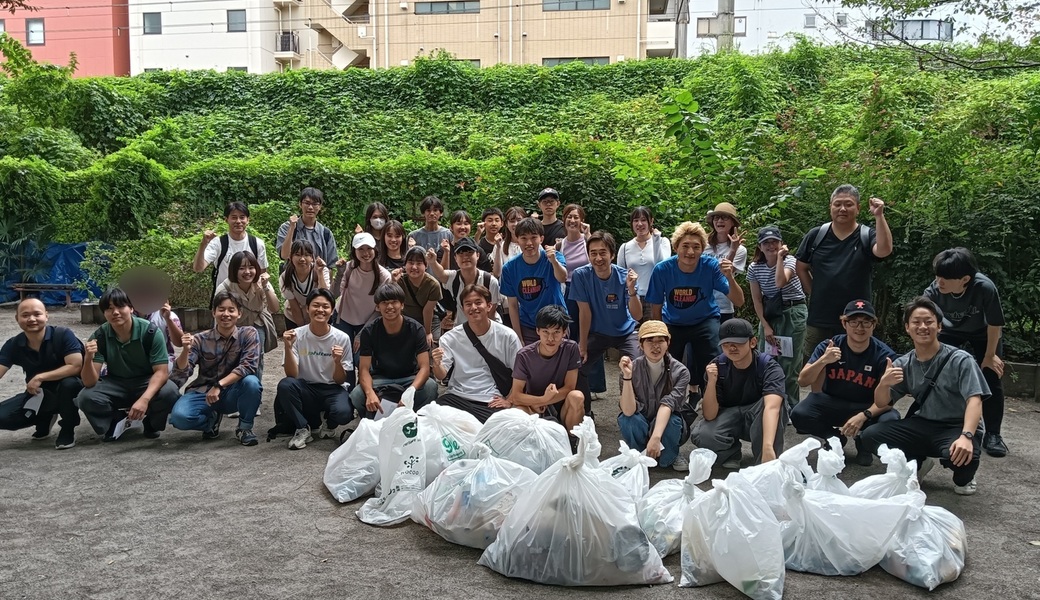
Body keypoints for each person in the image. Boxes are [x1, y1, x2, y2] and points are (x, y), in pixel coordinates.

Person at [858, 297, 989, 496]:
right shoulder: (903, 362)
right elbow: (882, 402)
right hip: (922, 424)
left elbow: (974, 399)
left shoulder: (960, 359)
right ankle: (918, 461)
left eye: (929, 322)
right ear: (907, 328)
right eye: (916, 322)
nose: (922, 327)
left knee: (965, 459)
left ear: (939, 326)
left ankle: (965, 477)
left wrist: (967, 436)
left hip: (955, 426)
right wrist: (884, 383)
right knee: (871, 436)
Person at [646, 221, 744, 403]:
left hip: (704, 320)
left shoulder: (710, 266)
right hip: (673, 322)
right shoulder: (663, 270)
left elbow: (738, 301)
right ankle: (667, 400)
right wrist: (659, 334)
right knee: (666, 360)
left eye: (696, 247)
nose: (690, 252)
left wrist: (729, 276)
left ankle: (716, 399)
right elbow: (656, 307)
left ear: (702, 249)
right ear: (676, 247)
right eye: (685, 246)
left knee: (713, 355)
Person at [924, 247, 1009, 457]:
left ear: (965, 279)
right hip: (949, 331)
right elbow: (925, 322)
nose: (939, 282)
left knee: (990, 376)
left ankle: (993, 435)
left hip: (982, 332)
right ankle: (931, 422)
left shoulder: (984, 287)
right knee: (935, 372)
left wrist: (990, 356)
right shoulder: (933, 291)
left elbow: (995, 325)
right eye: (938, 276)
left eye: (946, 278)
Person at [793, 299, 897, 465]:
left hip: (866, 406)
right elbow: (803, 381)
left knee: (891, 419)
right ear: (844, 323)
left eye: (865, 322)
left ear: (874, 325)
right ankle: (834, 438)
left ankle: (865, 442)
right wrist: (823, 361)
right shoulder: (829, 346)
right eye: (853, 322)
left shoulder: (885, 355)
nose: (859, 328)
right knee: (799, 414)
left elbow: (890, 400)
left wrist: (864, 416)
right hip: (831, 402)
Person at [795, 184, 892, 356]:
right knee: (815, 366)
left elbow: (884, 250)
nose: (842, 209)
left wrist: (879, 216)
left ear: (858, 208)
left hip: (857, 319)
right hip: (820, 318)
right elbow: (801, 267)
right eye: (837, 204)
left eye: (848, 204)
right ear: (830, 206)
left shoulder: (866, 235)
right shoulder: (817, 235)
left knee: (855, 367)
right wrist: (814, 291)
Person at [75, 288, 180, 441]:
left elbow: (161, 372)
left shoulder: (150, 332)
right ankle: (113, 420)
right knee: (86, 396)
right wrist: (88, 358)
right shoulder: (100, 335)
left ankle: (151, 421)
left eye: (120, 307)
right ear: (104, 313)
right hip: (116, 382)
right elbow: (89, 382)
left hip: (145, 380)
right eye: (109, 309)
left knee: (170, 391)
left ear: (131, 308)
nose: (115, 312)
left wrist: (144, 400)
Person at [169, 291, 263, 446]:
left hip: (233, 392)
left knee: (252, 382)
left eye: (231, 310)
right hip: (203, 393)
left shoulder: (248, 334)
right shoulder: (200, 339)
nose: (226, 314)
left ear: (239, 314)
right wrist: (185, 350)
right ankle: (210, 421)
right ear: (213, 313)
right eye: (221, 309)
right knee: (179, 418)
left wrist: (219, 385)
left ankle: (244, 428)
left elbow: (248, 366)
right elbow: (181, 374)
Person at [692, 318, 786, 469]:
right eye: (726, 344)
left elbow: (772, 408)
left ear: (753, 342)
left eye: (738, 343)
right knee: (702, 435)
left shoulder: (769, 367)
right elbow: (709, 415)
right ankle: (731, 453)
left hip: (758, 416)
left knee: (778, 404)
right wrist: (711, 382)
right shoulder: (716, 366)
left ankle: (767, 461)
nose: (732, 348)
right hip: (730, 416)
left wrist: (768, 446)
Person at [275, 289, 354, 450]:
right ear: (307, 308)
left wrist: (337, 362)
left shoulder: (342, 338)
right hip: (306, 387)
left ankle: (329, 424)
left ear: (332, 311)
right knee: (285, 385)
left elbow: (340, 380)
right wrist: (288, 348)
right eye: (315, 305)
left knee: (344, 413)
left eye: (325, 307)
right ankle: (303, 428)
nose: (320, 310)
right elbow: (291, 375)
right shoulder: (296, 335)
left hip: (332, 388)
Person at [431, 284, 522, 422]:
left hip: (490, 400)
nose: (473, 307)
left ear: (489, 306)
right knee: (429, 419)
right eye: (468, 304)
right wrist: (436, 364)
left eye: (478, 302)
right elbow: (441, 375)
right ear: (462, 308)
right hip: (457, 397)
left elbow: (520, 373)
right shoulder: (450, 338)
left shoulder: (507, 336)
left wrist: (509, 400)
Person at [0, 298, 84, 449]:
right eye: (25, 315)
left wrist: (40, 377)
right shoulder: (14, 344)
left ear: (46, 315)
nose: (31, 319)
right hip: (38, 394)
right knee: (2, 416)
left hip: (68, 391)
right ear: (17, 318)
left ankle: (67, 428)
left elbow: (75, 366)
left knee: (69, 384)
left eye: (37, 314)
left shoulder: (63, 335)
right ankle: (44, 418)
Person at [349, 283, 439, 418]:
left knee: (431, 387)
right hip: (381, 378)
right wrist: (369, 393)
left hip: (409, 377)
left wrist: (410, 392)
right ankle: (372, 420)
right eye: (384, 303)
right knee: (357, 395)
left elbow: (425, 368)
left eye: (394, 302)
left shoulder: (416, 329)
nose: (390, 307)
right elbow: (364, 369)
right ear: (377, 307)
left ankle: (415, 419)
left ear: (402, 305)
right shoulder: (369, 331)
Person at [571, 231, 642, 390]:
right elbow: (585, 312)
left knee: (636, 367)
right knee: (575, 366)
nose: (598, 258)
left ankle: (630, 409)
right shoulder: (581, 276)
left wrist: (631, 289)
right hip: (597, 333)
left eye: (603, 253)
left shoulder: (624, 276)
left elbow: (637, 315)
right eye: (593, 253)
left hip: (625, 332)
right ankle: (584, 411)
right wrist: (582, 346)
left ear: (612, 255)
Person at [617, 320, 692, 471]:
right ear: (640, 344)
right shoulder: (632, 367)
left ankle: (671, 455)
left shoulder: (681, 371)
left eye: (660, 340)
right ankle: (638, 454)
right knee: (627, 419)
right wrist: (627, 377)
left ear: (668, 342)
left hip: (666, 424)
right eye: (649, 340)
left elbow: (668, 404)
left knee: (673, 421)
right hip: (641, 421)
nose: (655, 346)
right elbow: (628, 410)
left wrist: (656, 437)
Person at [747, 225, 807, 408]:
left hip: (792, 313)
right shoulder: (754, 268)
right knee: (769, 360)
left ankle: (791, 405)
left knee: (790, 363)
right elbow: (757, 299)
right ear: (760, 246)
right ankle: (771, 402)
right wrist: (765, 326)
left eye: (774, 241)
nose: (770, 246)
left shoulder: (790, 261)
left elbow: (780, 282)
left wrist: (780, 258)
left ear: (781, 243)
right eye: (766, 242)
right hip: (770, 315)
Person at [509, 305, 586, 433]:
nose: (550, 338)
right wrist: (541, 400)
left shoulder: (571, 349)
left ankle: (572, 442)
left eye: (556, 332)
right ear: (537, 331)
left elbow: (569, 387)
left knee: (577, 396)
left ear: (564, 332)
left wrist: (546, 400)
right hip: (533, 404)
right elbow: (516, 396)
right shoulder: (524, 355)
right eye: (545, 332)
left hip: (561, 402)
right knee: (518, 412)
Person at [499, 217, 568, 345]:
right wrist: (518, 336)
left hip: (557, 322)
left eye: (533, 238)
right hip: (529, 325)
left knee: (560, 362)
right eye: (524, 238)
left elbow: (562, 278)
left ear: (541, 239)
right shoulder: (509, 268)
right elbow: (513, 305)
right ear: (517, 239)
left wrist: (554, 262)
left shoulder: (555, 257)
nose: (529, 243)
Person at [428, 237, 501, 335]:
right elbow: (441, 274)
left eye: (469, 253)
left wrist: (484, 333)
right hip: (463, 331)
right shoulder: (453, 277)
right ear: (455, 258)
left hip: (490, 329)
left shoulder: (490, 281)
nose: (465, 257)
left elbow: (491, 312)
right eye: (461, 253)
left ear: (478, 255)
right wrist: (432, 262)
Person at [193, 201, 269, 295]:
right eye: (234, 217)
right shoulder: (218, 243)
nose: (238, 221)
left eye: (242, 217)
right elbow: (198, 268)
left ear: (248, 220)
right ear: (226, 220)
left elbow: (262, 274)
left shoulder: (257, 244)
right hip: (224, 298)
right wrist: (203, 244)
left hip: (250, 300)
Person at [215, 250, 279, 358]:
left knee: (257, 355)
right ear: (234, 270)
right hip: (234, 325)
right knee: (234, 356)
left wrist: (265, 287)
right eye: (241, 268)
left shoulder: (262, 283)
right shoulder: (224, 288)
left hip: (257, 322)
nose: (247, 272)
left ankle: (256, 375)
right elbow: (218, 313)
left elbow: (275, 308)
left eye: (251, 267)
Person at [335, 232, 393, 349]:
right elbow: (334, 294)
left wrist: (362, 333)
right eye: (360, 249)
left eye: (369, 248)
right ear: (354, 251)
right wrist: (339, 274)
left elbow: (381, 308)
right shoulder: (348, 268)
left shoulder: (384, 276)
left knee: (360, 360)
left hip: (367, 322)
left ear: (375, 250)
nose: (365, 253)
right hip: (343, 318)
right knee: (342, 358)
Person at [617, 206, 671, 324]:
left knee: (655, 335)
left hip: (656, 298)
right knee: (635, 336)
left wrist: (656, 241)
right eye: (636, 220)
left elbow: (662, 266)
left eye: (643, 220)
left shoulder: (662, 242)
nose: (639, 224)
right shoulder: (625, 247)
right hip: (633, 297)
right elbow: (621, 275)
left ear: (651, 221)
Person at [704, 202, 748, 323]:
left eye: (725, 217)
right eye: (716, 217)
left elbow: (723, 273)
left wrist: (733, 250)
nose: (719, 221)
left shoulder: (740, 250)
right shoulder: (702, 245)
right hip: (700, 304)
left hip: (723, 306)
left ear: (733, 222)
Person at [277, 187, 339, 268]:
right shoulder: (287, 227)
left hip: (317, 279)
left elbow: (330, 266)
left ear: (320, 206)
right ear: (300, 204)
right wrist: (292, 228)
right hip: (292, 279)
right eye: (307, 203)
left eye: (314, 204)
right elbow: (284, 255)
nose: (310, 207)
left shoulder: (325, 233)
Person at [395, 246, 442, 346]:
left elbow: (428, 311)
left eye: (419, 263)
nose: (414, 267)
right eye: (411, 263)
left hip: (429, 322)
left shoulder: (433, 285)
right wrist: (393, 282)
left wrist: (428, 332)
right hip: (406, 321)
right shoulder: (400, 280)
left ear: (426, 265)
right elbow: (392, 302)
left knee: (432, 347)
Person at [557, 203, 591, 340]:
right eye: (569, 217)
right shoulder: (560, 245)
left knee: (589, 332)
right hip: (567, 291)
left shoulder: (589, 240)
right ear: (564, 219)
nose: (572, 221)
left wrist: (588, 235)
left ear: (582, 220)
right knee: (570, 330)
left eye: (576, 217)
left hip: (587, 289)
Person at [279, 239, 329, 329]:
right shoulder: (285, 277)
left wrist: (320, 273)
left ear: (312, 257)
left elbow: (324, 297)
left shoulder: (321, 270)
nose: (302, 259)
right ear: (290, 257)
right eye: (297, 255)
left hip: (318, 315)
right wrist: (303, 329)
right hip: (293, 317)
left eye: (306, 255)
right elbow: (294, 307)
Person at [492, 206, 525, 279]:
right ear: (506, 224)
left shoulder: (532, 243)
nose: (516, 224)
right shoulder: (500, 245)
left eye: (519, 220)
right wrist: (498, 248)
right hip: (507, 287)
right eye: (512, 221)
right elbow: (497, 274)